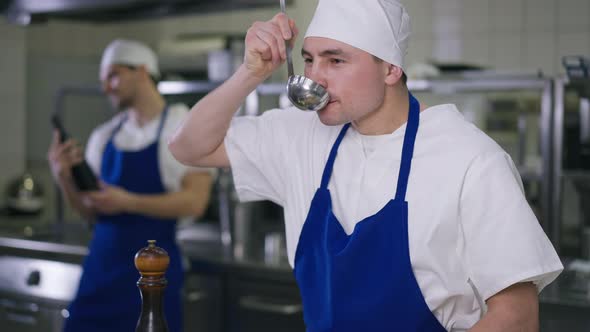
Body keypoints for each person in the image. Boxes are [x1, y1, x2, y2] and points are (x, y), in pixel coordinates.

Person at [168, 0, 563, 331]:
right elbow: (190, 148)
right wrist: (250, 72)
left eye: (336, 60)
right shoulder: (301, 136)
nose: (316, 78)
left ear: (391, 69)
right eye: (309, 60)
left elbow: (517, 315)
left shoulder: (471, 160)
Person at [47, 39, 213, 332]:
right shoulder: (105, 135)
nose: (106, 87)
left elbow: (195, 201)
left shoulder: (181, 126)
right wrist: (63, 176)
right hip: (100, 271)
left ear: (143, 71)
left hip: (152, 278)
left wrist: (128, 202)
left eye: (113, 75)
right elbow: (89, 212)